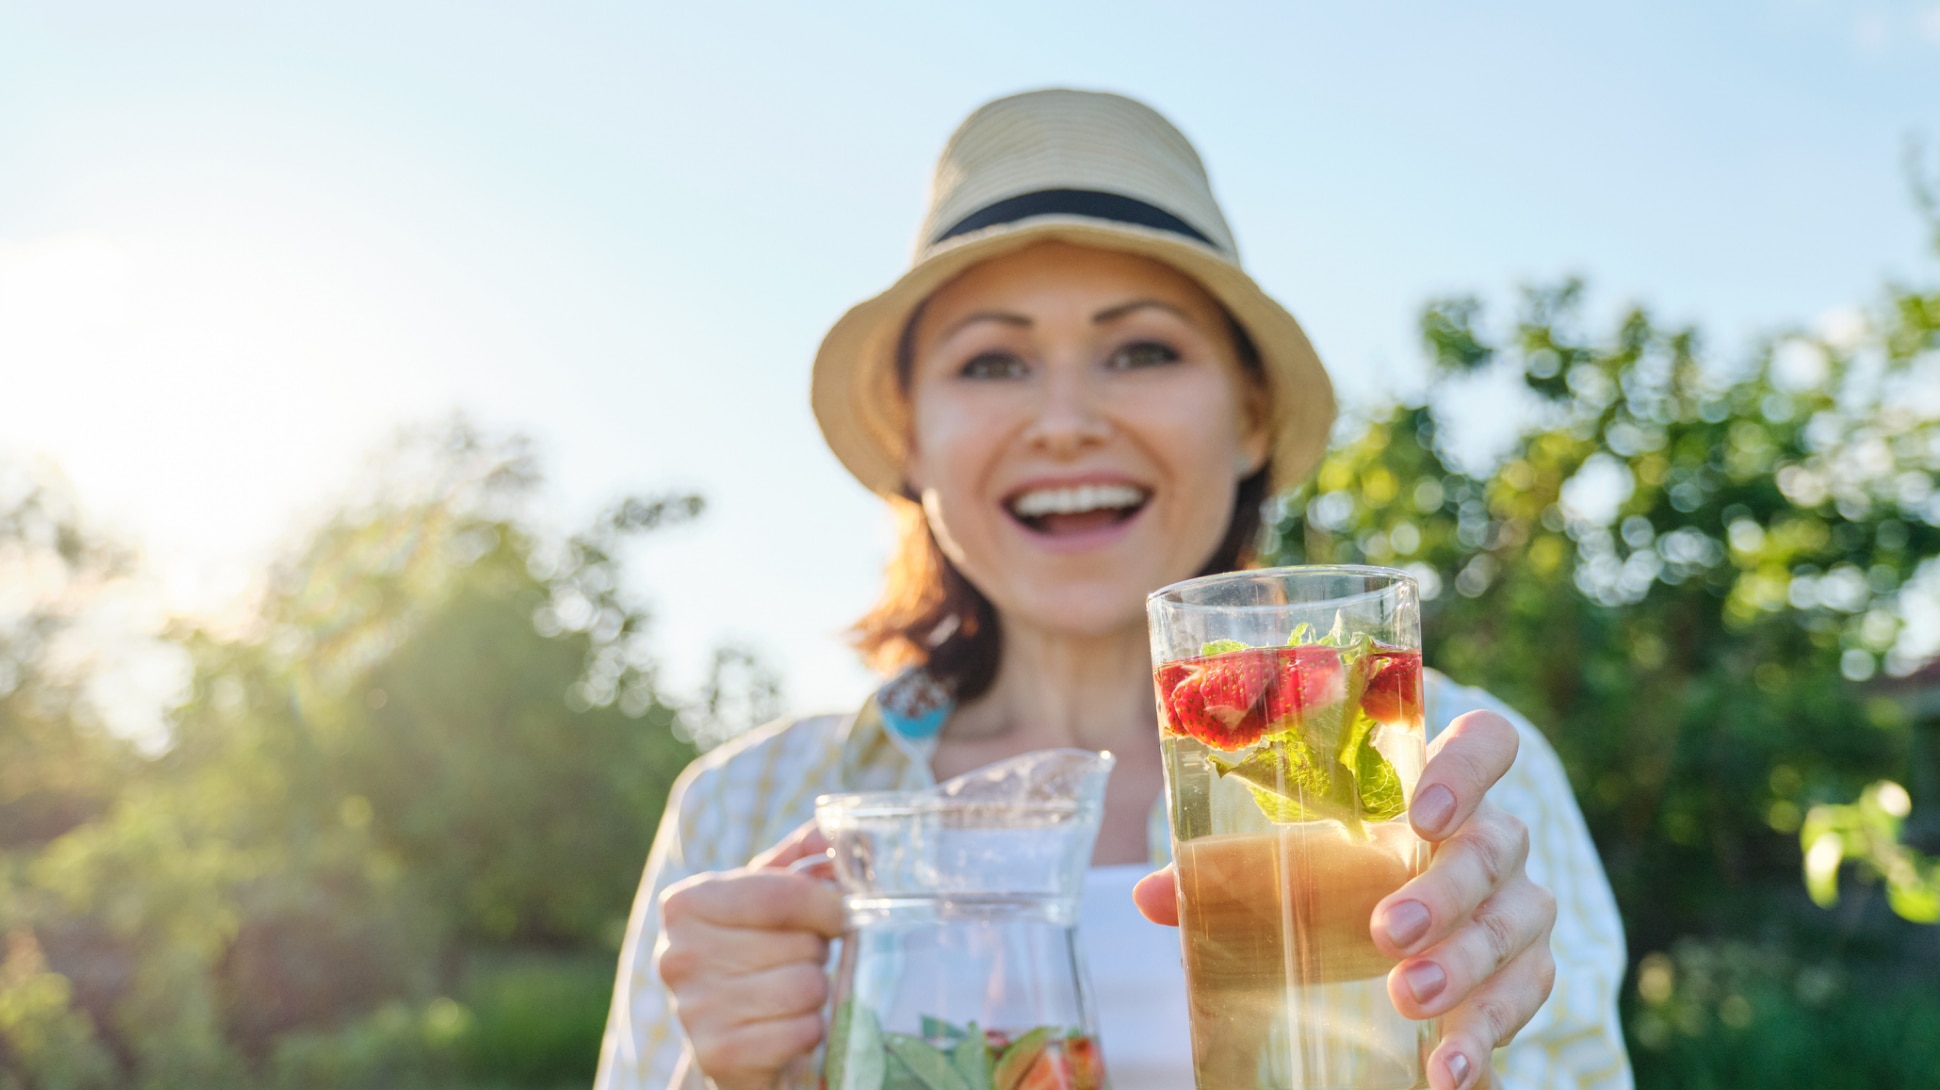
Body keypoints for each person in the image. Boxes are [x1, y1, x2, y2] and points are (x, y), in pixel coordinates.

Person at [596, 89, 1629, 1090]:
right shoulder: (743, 808)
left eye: (1140, 350)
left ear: (1250, 418)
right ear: (911, 439)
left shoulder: (1451, 774)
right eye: (993, 362)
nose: (1065, 419)